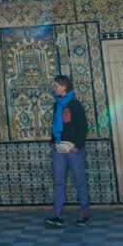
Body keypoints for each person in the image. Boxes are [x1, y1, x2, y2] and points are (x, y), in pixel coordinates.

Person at [45, 74, 90, 227]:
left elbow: (83, 127)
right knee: (58, 182)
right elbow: (54, 125)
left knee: (79, 181)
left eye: (57, 85)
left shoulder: (75, 105)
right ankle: (57, 215)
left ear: (64, 86)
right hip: (59, 149)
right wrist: (53, 141)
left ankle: (84, 212)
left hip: (73, 150)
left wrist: (77, 146)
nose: (55, 88)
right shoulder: (57, 105)